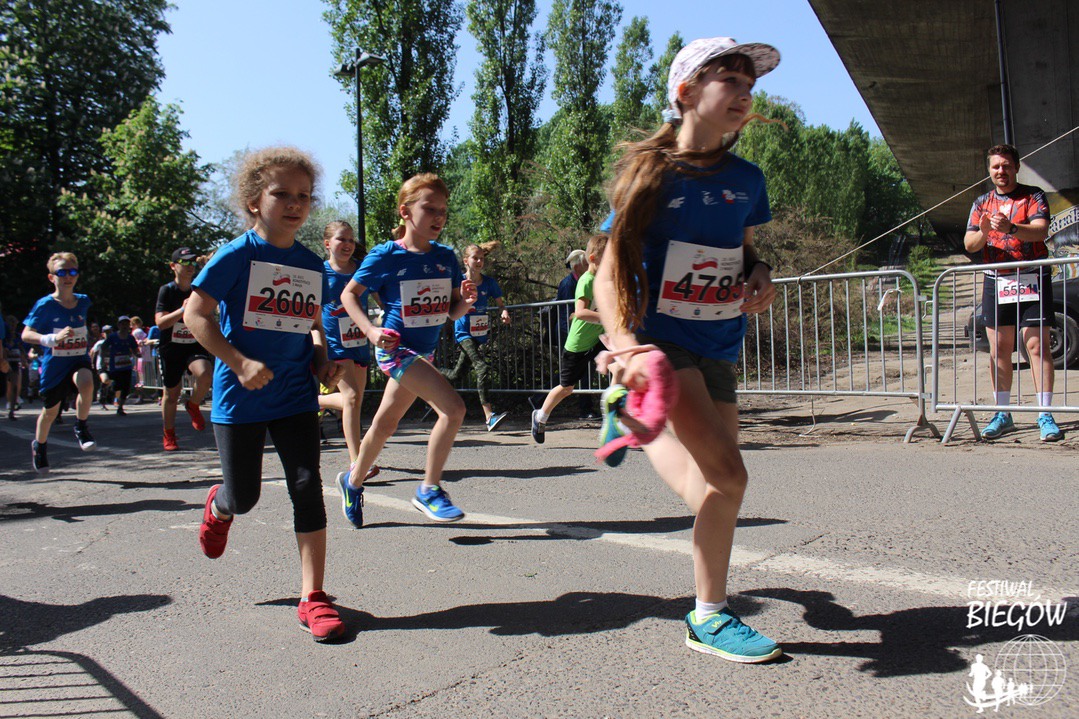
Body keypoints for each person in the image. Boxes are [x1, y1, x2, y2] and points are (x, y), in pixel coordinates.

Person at [593, 36, 783, 663]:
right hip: (661, 343)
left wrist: (760, 274)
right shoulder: (651, 173)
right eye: (730, 79)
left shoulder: (747, 179)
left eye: (750, 84)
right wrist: (626, 347)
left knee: (712, 487)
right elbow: (606, 273)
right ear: (686, 92)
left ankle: (633, 421)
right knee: (731, 476)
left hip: (720, 340)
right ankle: (709, 614)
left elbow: (744, 249)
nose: (745, 93)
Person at [184, 146, 345, 641]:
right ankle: (220, 507)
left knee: (306, 485)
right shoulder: (236, 256)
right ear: (255, 201)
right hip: (241, 395)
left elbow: (312, 324)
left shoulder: (310, 264)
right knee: (245, 497)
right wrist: (238, 361)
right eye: (282, 194)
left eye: (304, 196)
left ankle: (313, 597)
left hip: (295, 392)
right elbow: (195, 315)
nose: (295, 203)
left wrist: (321, 359)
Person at [336, 172, 478, 527]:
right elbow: (349, 295)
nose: (438, 217)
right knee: (454, 410)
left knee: (385, 424)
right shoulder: (386, 255)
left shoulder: (446, 257)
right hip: (395, 349)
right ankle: (429, 489)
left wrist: (466, 301)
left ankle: (352, 482)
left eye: (443, 210)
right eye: (429, 208)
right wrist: (370, 330)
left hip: (424, 354)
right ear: (405, 211)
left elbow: (450, 311)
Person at [963, 144, 1060, 441]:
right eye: (995, 166)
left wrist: (1011, 228)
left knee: (1036, 346)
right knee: (1000, 348)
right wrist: (984, 231)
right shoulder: (982, 202)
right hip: (997, 281)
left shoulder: (1033, 195)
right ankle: (1002, 413)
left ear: (1016, 167)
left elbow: (1041, 230)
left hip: (1032, 276)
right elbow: (970, 245)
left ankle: (1045, 413)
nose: (1001, 171)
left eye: (1006, 165)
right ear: (989, 171)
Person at [22, 252, 98, 473]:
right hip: (55, 365)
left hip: (78, 359)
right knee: (50, 412)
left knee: (87, 382)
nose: (68, 277)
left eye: (72, 272)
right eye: (62, 272)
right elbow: (26, 334)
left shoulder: (83, 301)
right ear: (51, 277)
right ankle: (40, 446)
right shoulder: (45, 305)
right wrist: (51, 339)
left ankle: (81, 426)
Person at [530, 233, 608, 444]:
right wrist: (607, 317)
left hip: (599, 338)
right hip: (578, 343)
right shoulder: (586, 280)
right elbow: (580, 312)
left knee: (619, 365)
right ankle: (540, 416)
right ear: (593, 259)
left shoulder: (604, 280)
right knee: (566, 387)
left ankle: (614, 419)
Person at [318, 220, 380, 481]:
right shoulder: (320, 273)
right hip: (334, 344)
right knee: (352, 398)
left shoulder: (362, 270)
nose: (347, 245)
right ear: (327, 244)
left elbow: (381, 299)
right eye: (341, 239)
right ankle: (357, 462)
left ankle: (314, 401)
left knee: (354, 401)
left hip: (358, 342)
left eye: (351, 240)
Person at [440, 241, 511, 431]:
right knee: (482, 367)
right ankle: (489, 416)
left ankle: (431, 373)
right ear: (466, 261)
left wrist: (504, 312)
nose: (479, 262)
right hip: (463, 333)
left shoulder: (489, 283)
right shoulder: (459, 281)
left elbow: (501, 304)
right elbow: (450, 305)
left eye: (481, 258)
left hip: (480, 333)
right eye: (475, 258)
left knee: (456, 375)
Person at [155, 246, 214, 450]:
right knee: (171, 394)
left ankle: (193, 404)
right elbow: (160, 323)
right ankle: (169, 434)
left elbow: (208, 315)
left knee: (205, 374)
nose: (190, 266)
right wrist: (183, 310)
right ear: (173, 266)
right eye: (185, 262)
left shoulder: (198, 288)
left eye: (192, 262)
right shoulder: (167, 290)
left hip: (193, 344)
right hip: (171, 348)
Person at [102, 316, 140, 415]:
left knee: (125, 387)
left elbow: (135, 349)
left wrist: (138, 354)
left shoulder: (130, 338)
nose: (124, 326)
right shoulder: (113, 336)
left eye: (126, 324)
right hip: (115, 366)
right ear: (118, 325)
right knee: (117, 385)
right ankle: (109, 391)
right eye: (122, 324)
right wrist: (103, 359)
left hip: (126, 365)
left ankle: (120, 407)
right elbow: (103, 347)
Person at [129, 316, 151, 403]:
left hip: (141, 356)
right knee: (141, 376)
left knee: (140, 376)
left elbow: (139, 342)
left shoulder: (137, 331)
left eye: (131, 324)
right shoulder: (140, 331)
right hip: (144, 355)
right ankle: (140, 395)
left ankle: (141, 396)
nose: (130, 326)